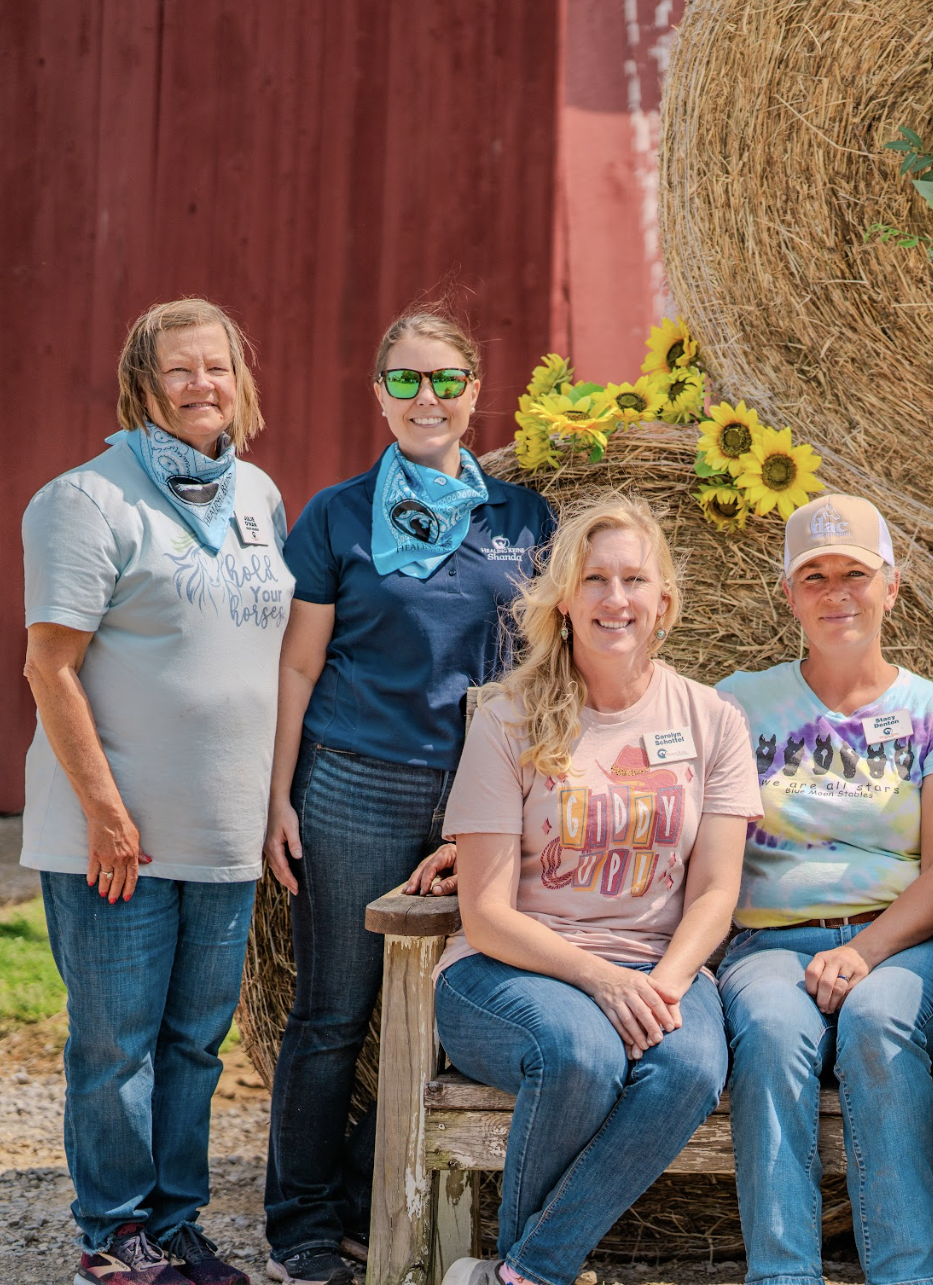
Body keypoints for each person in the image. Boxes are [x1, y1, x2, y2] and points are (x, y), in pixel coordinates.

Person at [260, 305, 555, 1285]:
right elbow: (297, 670)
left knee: (452, 1009)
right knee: (335, 1012)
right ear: (378, 393)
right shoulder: (337, 517)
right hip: (357, 783)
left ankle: (370, 1195)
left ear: (475, 392)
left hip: (478, 793)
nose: (424, 397)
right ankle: (303, 1224)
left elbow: (546, 666)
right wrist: (280, 799)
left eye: (444, 379)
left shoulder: (524, 520)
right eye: (404, 380)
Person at [23, 299, 292, 1285]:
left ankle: (175, 1224)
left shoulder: (260, 495)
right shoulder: (85, 502)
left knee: (193, 1045)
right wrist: (105, 811)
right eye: (179, 371)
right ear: (142, 384)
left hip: (221, 831)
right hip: (115, 836)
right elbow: (49, 669)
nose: (202, 386)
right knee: (117, 1046)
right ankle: (113, 1235)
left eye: (217, 367)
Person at [430, 496, 759, 1285]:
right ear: (566, 600)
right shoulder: (509, 718)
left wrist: (664, 984)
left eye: (634, 580)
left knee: (688, 1069)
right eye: (596, 579)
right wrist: (602, 981)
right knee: (578, 1053)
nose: (617, 599)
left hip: (657, 964)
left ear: (664, 602)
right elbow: (487, 913)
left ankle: (521, 1273)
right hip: (512, 969)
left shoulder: (712, 719)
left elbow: (715, 890)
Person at [713, 495, 933, 1285]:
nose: (838, 593)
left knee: (876, 1019)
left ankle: (907, 1276)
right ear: (790, 594)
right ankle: (783, 1275)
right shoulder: (738, 702)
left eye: (856, 575)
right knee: (767, 1025)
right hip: (773, 941)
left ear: (891, 587)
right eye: (816, 577)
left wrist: (865, 952)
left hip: (908, 942)